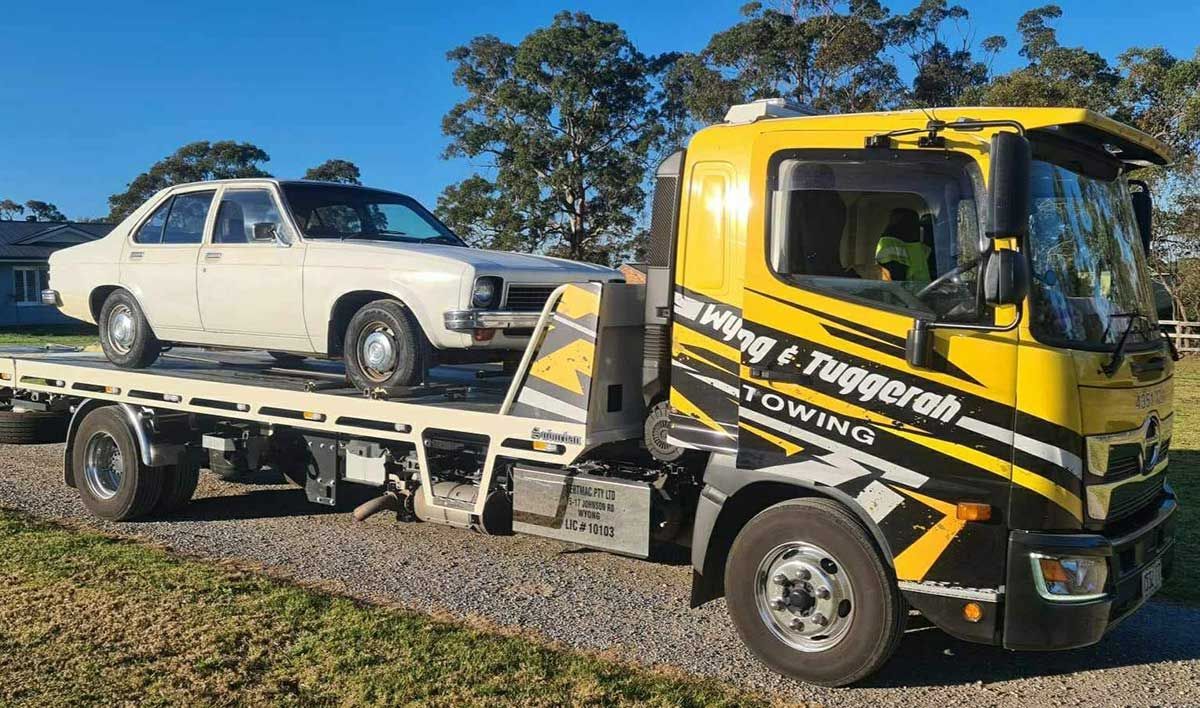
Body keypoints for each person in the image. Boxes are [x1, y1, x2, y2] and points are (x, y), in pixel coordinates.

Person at [874, 208, 931, 283]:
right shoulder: (888, 242)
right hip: (907, 291)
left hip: (921, 290)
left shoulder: (921, 246)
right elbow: (894, 273)